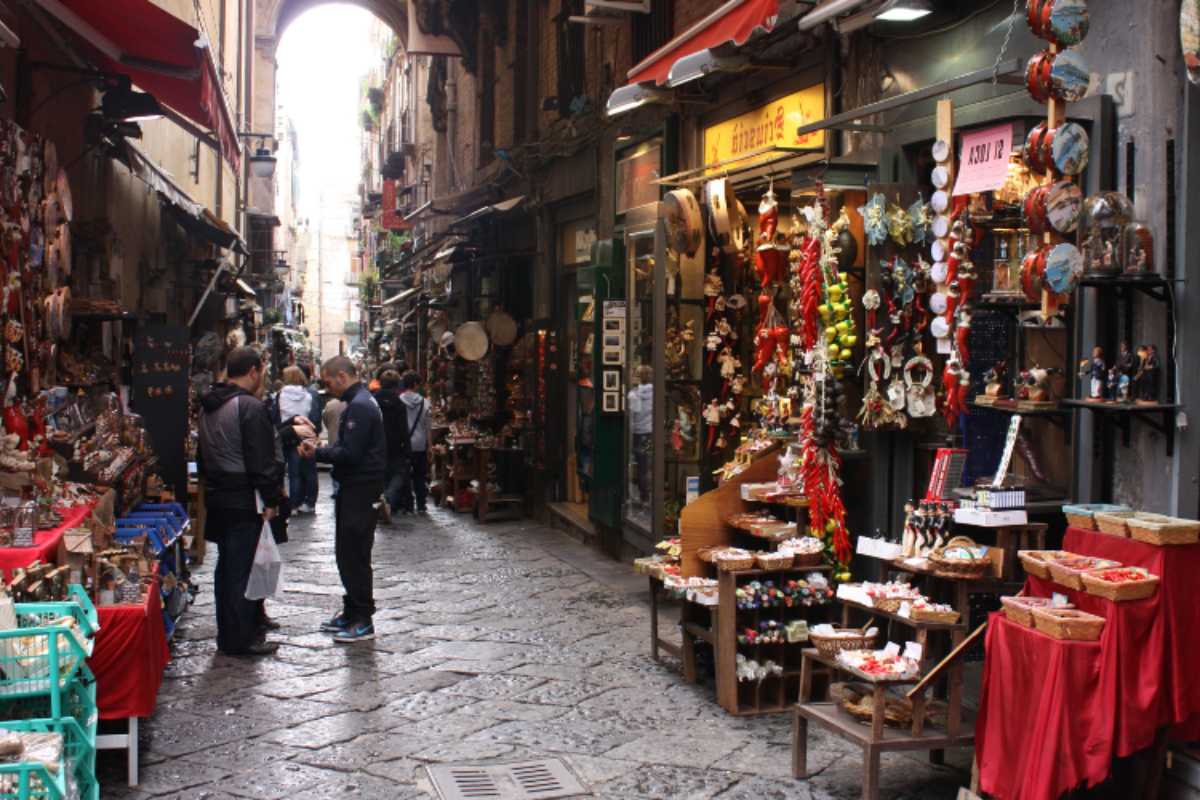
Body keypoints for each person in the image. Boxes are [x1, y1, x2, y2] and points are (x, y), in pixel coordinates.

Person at [197, 347, 284, 657]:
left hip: (218, 496)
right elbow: (260, 460)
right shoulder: (249, 407)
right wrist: (272, 498)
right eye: (262, 370)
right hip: (244, 498)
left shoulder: (209, 404)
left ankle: (230, 633)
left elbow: (202, 454)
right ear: (252, 371)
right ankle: (239, 639)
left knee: (227, 569)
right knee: (242, 570)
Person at [299, 356, 386, 642]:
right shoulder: (359, 403)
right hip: (357, 487)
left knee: (355, 553)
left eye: (328, 381)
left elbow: (351, 454)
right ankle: (352, 611)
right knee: (347, 552)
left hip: (361, 488)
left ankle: (363, 619)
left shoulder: (360, 406)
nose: (328, 388)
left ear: (340, 376)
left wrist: (317, 453)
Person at [277, 366, 320, 514]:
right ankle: (310, 502)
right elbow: (313, 415)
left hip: (288, 433)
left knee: (293, 472)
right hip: (306, 432)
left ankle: (294, 504)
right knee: (310, 471)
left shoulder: (281, 394)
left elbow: (278, 416)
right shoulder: (308, 395)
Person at [373, 369, 409, 522]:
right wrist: (407, 448)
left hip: (377, 444)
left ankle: (383, 501)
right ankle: (387, 499)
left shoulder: (373, 401)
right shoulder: (399, 403)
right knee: (398, 474)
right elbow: (403, 428)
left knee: (382, 475)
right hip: (395, 445)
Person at [398, 371, 432, 513]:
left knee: (405, 476)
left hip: (404, 444)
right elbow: (427, 426)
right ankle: (421, 505)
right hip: (420, 444)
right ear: (415, 384)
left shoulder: (398, 400)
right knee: (420, 475)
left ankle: (408, 506)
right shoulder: (425, 402)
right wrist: (429, 445)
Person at [627, 364, 654, 504]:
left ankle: (644, 495)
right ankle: (647, 494)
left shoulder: (633, 395)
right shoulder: (656, 393)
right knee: (648, 465)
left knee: (641, 464)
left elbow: (632, 416)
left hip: (638, 433)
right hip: (651, 432)